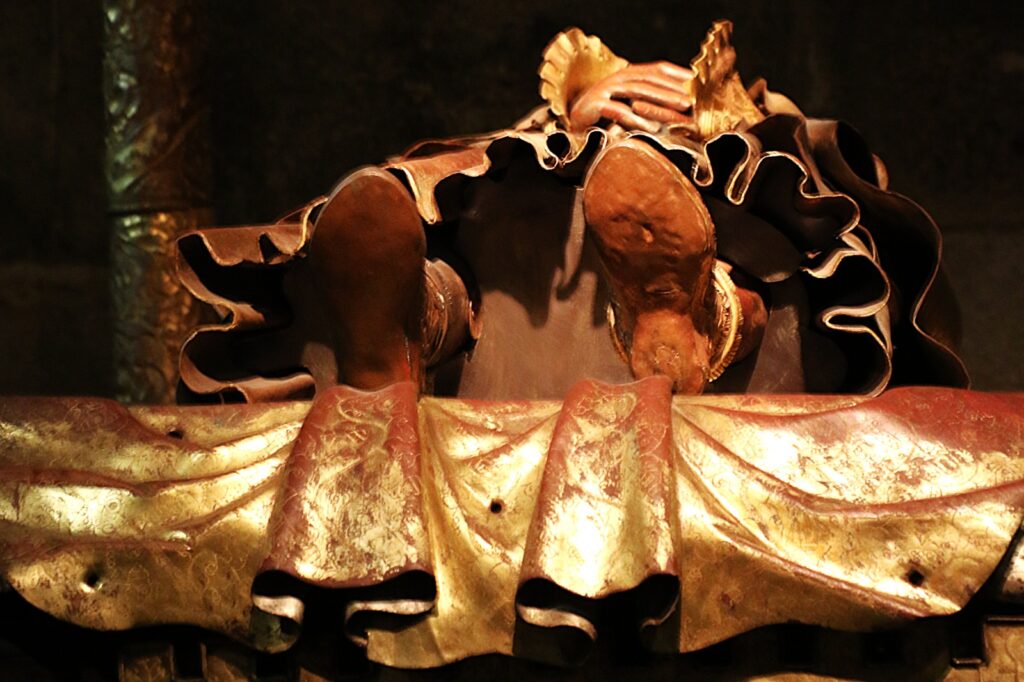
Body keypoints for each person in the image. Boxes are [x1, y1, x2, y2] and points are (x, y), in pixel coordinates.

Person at [177, 21, 967, 402]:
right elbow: (479, 168)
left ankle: (694, 314)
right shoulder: (544, 137)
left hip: (702, 225)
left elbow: (867, 192)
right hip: (530, 251)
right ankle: (405, 328)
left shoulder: (758, 130)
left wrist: (718, 124)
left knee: (738, 239)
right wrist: (575, 118)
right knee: (451, 222)